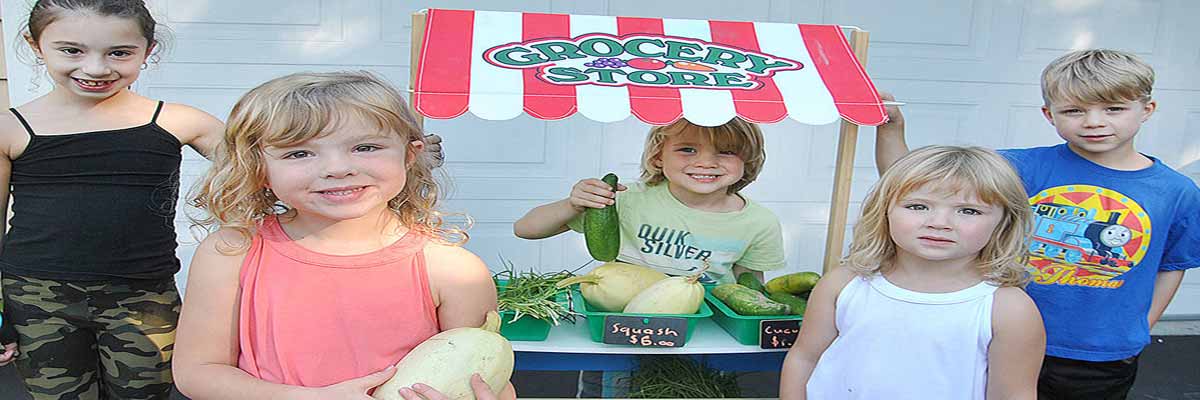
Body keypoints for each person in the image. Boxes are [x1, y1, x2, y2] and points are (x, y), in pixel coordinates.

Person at [875, 49, 1200, 400]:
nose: (1094, 121)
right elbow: (912, 187)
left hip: (1095, 356)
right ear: (1049, 114)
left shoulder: (1176, 191)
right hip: (995, 334)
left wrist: (1141, 325)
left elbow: (1171, 265)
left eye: (1114, 109)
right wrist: (891, 131)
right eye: (1074, 110)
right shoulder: (1018, 167)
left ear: (1147, 109)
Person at [171, 71, 512, 400]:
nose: (337, 168)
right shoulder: (231, 253)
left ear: (410, 155)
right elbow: (199, 371)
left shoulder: (454, 271)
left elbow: (489, 374)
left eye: (365, 147)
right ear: (258, 168)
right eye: (299, 153)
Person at [0, 1, 225, 398]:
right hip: (37, 300)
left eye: (119, 52)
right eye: (71, 50)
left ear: (148, 50)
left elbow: (271, 171)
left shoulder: (180, 121)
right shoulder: (10, 129)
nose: (96, 68)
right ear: (35, 45)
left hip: (144, 298)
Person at [780, 145, 1045, 400]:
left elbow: (1013, 394)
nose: (939, 223)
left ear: (1004, 223)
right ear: (884, 210)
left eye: (968, 211)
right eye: (918, 206)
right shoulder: (843, 284)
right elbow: (804, 358)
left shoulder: (1009, 309)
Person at [513, 117, 785, 285]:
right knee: (616, 380)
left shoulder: (759, 223)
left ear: (747, 160)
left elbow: (749, 287)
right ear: (658, 157)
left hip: (703, 329)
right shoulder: (625, 199)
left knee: (702, 381)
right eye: (687, 149)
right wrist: (572, 205)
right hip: (621, 319)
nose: (705, 162)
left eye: (726, 152)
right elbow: (525, 229)